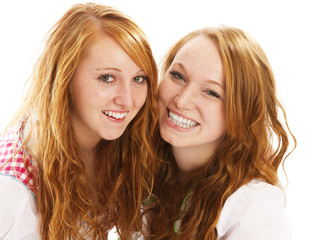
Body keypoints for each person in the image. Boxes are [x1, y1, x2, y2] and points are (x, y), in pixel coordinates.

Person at [0, 3, 158, 239]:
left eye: (138, 78)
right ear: (64, 77)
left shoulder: (122, 141)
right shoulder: (12, 191)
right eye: (107, 78)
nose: (127, 100)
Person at [143, 26, 296, 239]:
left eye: (211, 92)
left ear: (241, 113)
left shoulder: (251, 204)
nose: (182, 100)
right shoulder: (143, 164)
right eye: (178, 75)